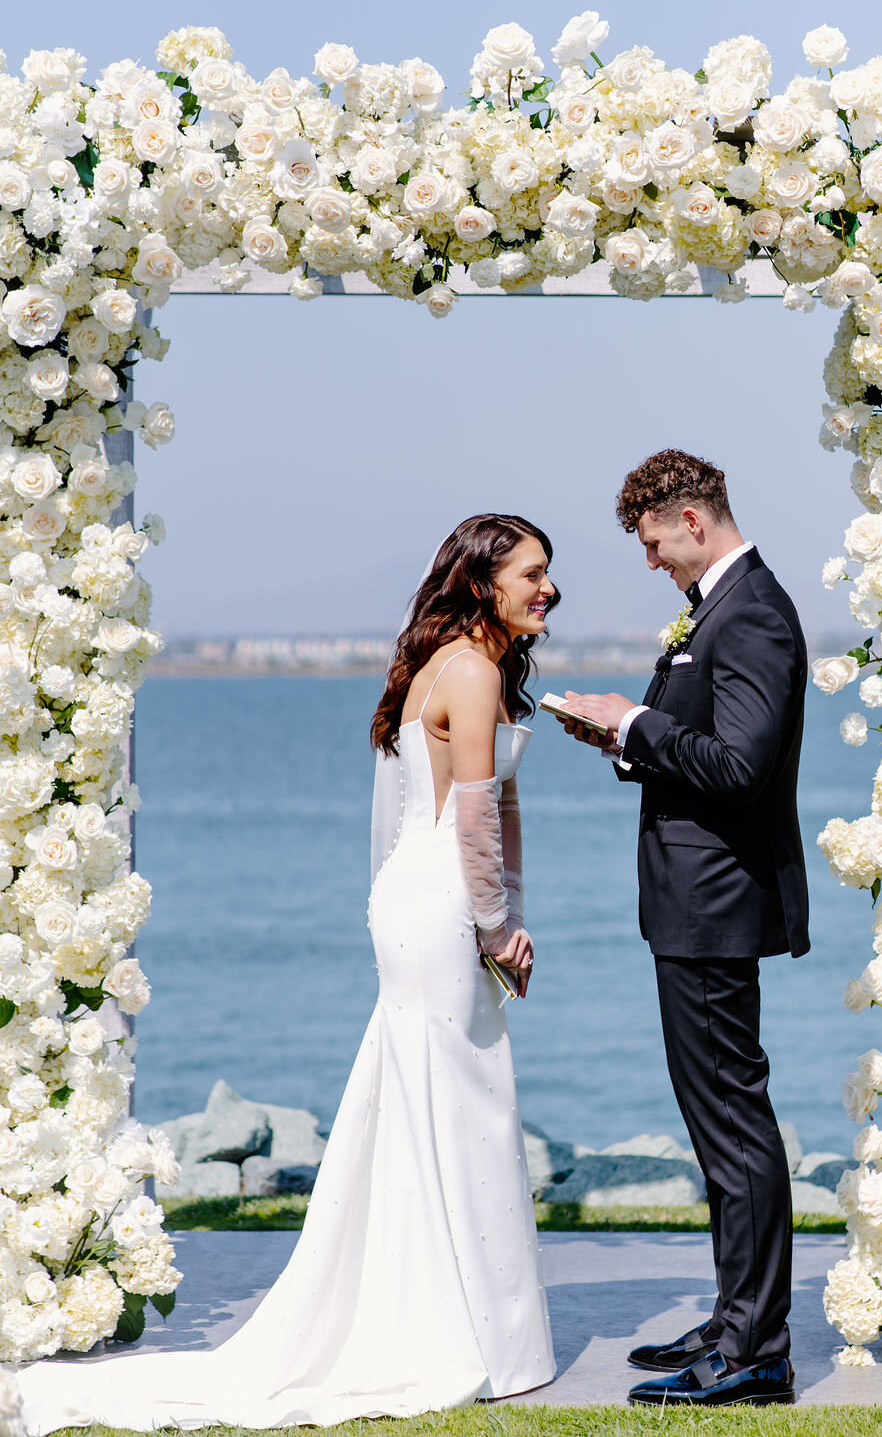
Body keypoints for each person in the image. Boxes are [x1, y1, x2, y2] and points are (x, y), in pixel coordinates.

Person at [16, 513, 558, 1431]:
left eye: (550, 575)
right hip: (438, 903)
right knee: (456, 1095)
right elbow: (470, 820)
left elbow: (499, 810)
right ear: (481, 582)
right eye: (533, 574)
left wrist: (512, 911)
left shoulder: (478, 667)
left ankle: (474, 1316)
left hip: (437, 894)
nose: (548, 589)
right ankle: (455, 1324)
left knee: (456, 1095)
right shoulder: (467, 671)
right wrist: (498, 925)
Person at [560, 450, 808, 1409]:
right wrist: (621, 738)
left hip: (716, 905)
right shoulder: (718, 609)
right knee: (718, 1129)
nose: (654, 561)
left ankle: (755, 1351)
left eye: (656, 543)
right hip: (690, 904)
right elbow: (695, 747)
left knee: (735, 1129)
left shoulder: (750, 612)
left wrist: (636, 722)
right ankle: (733, 1320)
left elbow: (741, 765)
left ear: (693, 519)